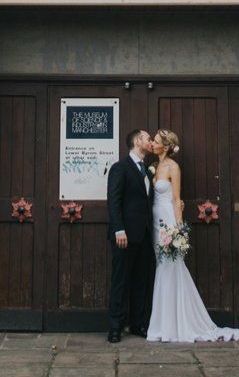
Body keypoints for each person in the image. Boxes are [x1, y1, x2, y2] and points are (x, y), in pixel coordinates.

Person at [146, 129, 239, 343]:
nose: (152, 144)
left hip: (168, 222)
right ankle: (164, 323)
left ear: (165, 146)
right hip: (156, 223)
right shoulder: (154, 167)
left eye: (155, 141)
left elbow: (176, 199)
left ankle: (177, 324)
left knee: (171, 267)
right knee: (161, 267)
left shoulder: (173, 167)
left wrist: (179, 230)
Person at [105, 127, 157, 343]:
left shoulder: (147, 169)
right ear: (137, 141)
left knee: (141, 281)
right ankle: (115, 327)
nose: (151, 141)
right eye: (148, 138)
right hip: (124, 236)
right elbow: (114, 200)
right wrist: (119, 229)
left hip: (144, 235)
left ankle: (137, 324)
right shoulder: (120, 168)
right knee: (120, 281)